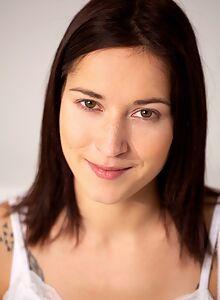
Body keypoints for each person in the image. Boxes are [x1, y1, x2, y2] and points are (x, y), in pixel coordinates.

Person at [0, 0, 219, 299]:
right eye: (90, 104)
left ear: (181, 121)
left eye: (145, 113)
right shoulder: (5, 243)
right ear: (57, 102)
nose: (111, 146)